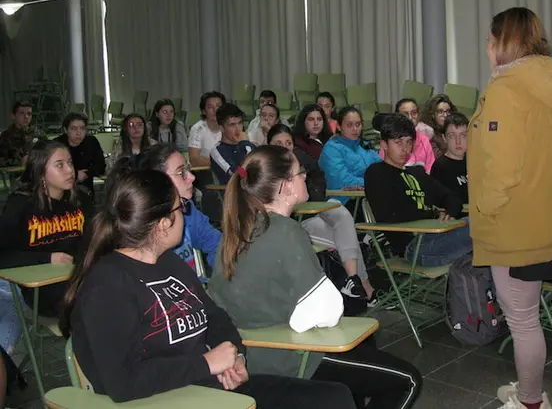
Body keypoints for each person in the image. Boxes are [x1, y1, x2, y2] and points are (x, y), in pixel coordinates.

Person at [60, 168, 356, 408]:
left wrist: (235, 358)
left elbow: (215, 317)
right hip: (166, 398)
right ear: (163, 224)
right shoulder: (108, 286)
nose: (186, 213)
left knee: (335, 397)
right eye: (181, 207)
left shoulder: (169, 263)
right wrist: (206, 363)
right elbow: (122, 383)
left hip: (209, 386)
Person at [206, 145, 422, 409]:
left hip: (249, 354)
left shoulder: (235, 232)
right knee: (408, 380)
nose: (305, 176)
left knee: (364, 343)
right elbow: (328, 311)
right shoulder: (286, 231)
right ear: (285, 186)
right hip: (291, 357)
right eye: (300, 172)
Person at [467, 7, 552, 409]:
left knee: (522, 320)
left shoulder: (506, 89)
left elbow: (503, 167)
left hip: (513, 223)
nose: (487, 46)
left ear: (504, 41)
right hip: (550, 218)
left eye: (490, 39)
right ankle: (529, 390)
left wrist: (485, 208)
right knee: (528, 314)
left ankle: (530, 402)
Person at [268, 124, 377, 304]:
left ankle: (353, 280)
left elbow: (319, 187)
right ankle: (363, 284)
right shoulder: (267, 174)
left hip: (317, 210)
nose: (284, 148)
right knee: (346, 236)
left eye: (288, 143)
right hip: (299, 222)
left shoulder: (302, 161)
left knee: (340, 212)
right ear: (268, 146)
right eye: (278, 143)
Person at [365, 114, 469, 267]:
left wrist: (450, 214)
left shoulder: (417, 173)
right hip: (414, 248)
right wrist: (434, 213)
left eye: (409, 142)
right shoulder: (376, 173)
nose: (405, 148)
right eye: (398, 142)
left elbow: (452, 198)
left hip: (436, 237)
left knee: (481, 224)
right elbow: (390, 214)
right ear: (384, 145)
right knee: (480, 228)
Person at [0, 141, 89, 318]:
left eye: (70, 163)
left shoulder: (81, 200)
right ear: (40, 171)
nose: (70, 170)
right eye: (59, 165)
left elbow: (93, 242)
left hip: (76, 279)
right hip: (38, 288)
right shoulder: (20, 205)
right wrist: (47, 258)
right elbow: (3, 256)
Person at [126, 143, 221, 275]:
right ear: (157, 181)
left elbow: (217, 245)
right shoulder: (140, 225)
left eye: (188, 169)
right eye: (181, 172)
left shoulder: (187, 210)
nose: (192, 177)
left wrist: (227, 271)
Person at [318, 106, 381, 206]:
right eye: (349, 125)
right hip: (345, 201)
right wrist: (372, 182)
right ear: (339, 126)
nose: (355, 129)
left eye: (358, 124)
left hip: (369, 195)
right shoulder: (332, 148)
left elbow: (381, 170)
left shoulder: (364, 146)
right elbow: (341, 180)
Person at [55, 112, 106, 197]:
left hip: (85, 189)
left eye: (82, 128)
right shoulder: (57, 145)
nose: (78, 133)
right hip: (61, 189)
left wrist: (87, 173)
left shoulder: (91, 142)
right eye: (74, 129)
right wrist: (75, 174)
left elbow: (101, 165)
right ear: (66, 130)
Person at [385, 99, 435, 173]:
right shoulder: (389, 140)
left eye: (414, 113)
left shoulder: (424, 140)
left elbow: (431, 169)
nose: (410, 118)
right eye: (405, 114)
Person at [209, 104, 255, 184]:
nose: (238, 129)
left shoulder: (247, 145)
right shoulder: (218, 150)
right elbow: (240, 175)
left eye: (240, 123)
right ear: (221, 128)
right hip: (234, 190)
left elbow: (261, 167)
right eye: (232, 125)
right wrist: (244, 143)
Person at [430, 113, 468, 206]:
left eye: (463, 135)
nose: (458, 141)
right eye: (452, 136)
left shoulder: (474, 162)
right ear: (444, 138)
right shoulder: (440, 167)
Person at [0, 101, 44, 166]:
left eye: (29, 114)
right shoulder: (6, 136)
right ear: (13, 116)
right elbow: (2, 161)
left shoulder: (39, 134)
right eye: (22, 113)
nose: (26, 117)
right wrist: (19, 161)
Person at [188, 91, 226, 167]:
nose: (215, 110)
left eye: (218, 106)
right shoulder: (198, 129)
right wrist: (223, 164)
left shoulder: (229, 125)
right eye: (210, 107)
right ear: (204, 111)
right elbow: (194, 159)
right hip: (206, 170)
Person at [418, 94, 456, 159]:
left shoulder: (453, 129)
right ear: (432, 114)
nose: (445, 115)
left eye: (448, 111)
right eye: (440, 112)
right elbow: (439, 159)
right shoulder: (428, 133)